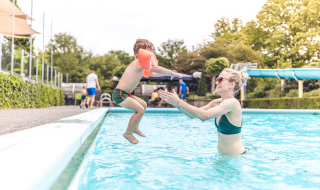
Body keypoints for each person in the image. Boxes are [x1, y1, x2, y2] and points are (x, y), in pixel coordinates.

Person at [159, 68, 249, 155]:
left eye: (220, 79)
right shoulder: (218, 102)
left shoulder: (232, 103)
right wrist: (175, 104)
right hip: (224, 157)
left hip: (236, 157)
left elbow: (204, 116)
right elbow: (193, 115)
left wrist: (179, 101)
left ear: (231, 85)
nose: (217, 82)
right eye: (217, 79)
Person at [112, 39, 182, 144]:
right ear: (144, 51)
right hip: (120, 94)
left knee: (143, 104)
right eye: (152, 50)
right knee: (139, 109)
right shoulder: (138, 62)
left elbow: (152, 73)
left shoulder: (141, 65)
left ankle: (135, 128)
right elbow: (155, 69)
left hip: (127, 94)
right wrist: (171, 72)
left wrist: (168, 74)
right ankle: (128, 133)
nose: (153, 53)